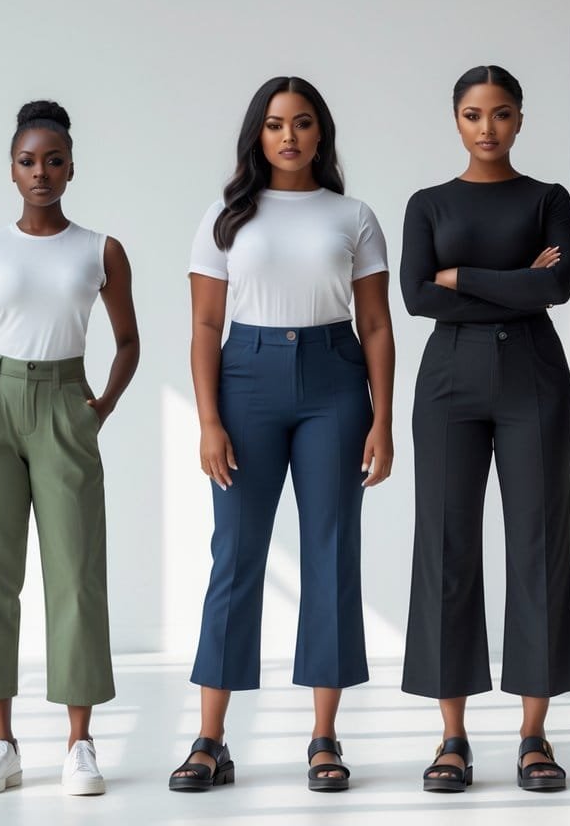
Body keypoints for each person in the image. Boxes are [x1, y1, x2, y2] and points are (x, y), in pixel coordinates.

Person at [170, 75, 394, 793]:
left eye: (301, 122)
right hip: (247, 379)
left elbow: (376, 324)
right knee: (235, 555)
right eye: (274, 124)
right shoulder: (225, 216)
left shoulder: (352, 215)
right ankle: (210, 739)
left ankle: (324, 738)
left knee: (331, 553)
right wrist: (209, 421)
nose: (288, 136)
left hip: (335, 381)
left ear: (320, 132)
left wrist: (383, 419)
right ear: (257, 134)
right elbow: (205, 325)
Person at [0, 100, 140, 796]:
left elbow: (128, 342)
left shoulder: (100, 250)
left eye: (53, 161)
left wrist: (101, 405)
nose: (41, 172)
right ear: (11, 169)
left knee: (76, 575)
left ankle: (79, 743)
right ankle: (2, 744)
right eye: (28, 161)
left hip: (64, 401)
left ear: (71, 168)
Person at [399, 64, 570, 793]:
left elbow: (556, 285)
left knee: (538, 545)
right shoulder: (427, 204)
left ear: (519, 120)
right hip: (448, 378)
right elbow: (417, 296)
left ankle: (534, 735)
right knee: (445, 545)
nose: (487, 127)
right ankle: (452, 737)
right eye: (473, 114)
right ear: (456, 120)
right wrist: (513, 283)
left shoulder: (547, 198)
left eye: (501, 113)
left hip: (533, 375)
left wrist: (462, 276)